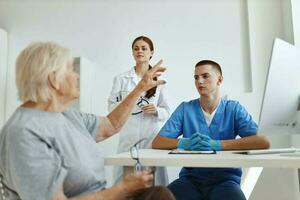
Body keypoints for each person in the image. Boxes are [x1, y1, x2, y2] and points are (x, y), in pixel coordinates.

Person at [0, 41, 167, 200]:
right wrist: (122, 190)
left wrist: (139, 88)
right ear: (53, 79)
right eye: (71, 70)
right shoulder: (24, 133)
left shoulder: (67, 115)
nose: (77, 77)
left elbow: (111, 125)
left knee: (160, 194)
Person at [152, 60, 270, 200]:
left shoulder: (233, 109)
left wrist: (219, 145)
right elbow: (158, 142)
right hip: (190, 180)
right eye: (196, 77)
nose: (199, 81)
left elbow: (263, 141)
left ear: (219, 80)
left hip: (225, 180)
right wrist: (183, 143)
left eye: (205, 76)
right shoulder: (185, 109)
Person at [108, 36, 170, 185]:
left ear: (151, 53)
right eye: (136, 48)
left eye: (144, 48)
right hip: (128, 139)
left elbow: (167, 111)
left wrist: (156, 111)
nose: (139, 51)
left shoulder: (159, 81)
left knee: (153, 185)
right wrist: (129, 105)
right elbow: (111, 109)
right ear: (132, 53)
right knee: (124, 185)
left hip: (151, 139)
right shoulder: (121, 79)